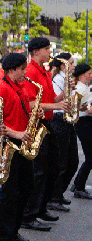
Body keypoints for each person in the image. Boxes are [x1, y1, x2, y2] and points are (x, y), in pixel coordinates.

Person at [0, 53, 34, 241]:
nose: (25, 73)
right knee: (9, 193)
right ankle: (1, 238)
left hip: (21, 143)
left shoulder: (19, 87)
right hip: (10, 144)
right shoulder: (1, 88)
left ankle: (12, 231)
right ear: (12, 69)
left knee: (25, 188)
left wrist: (34, 114)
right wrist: (16, 133)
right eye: (22, 69)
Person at [21, 37, 69, 230]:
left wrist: (65, 94)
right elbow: (31, 103)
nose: (50, 52)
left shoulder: (45, 71)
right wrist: (56, 105)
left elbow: (50, 98)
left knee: (52, 167)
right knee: (38, 171)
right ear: (35, 52)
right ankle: (29, 215)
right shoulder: (31, 71)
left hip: (48, 122)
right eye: (46, 49)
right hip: (38, 123)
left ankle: (40, 208)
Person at [48, 53, 76, 211]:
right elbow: (53, 101)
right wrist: (67, 90)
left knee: (72, 162)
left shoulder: (65, 80)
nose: (73, 67)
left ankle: (58, 194)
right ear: (63, 66)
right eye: (71, 64)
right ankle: (54, 197)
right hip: (58, 119)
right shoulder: (55, 79)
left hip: (67, 119)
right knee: (62, 162)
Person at [71, 63, 92, 198]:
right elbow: (77, 106)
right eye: (89, 74)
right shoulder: (79, 88)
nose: (90, 76)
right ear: (81, 75)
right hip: (83, 122)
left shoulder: (84, 87)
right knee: (90, 157)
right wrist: (89, 109)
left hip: (86, 122)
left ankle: (78, 183)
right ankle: (79, 187)